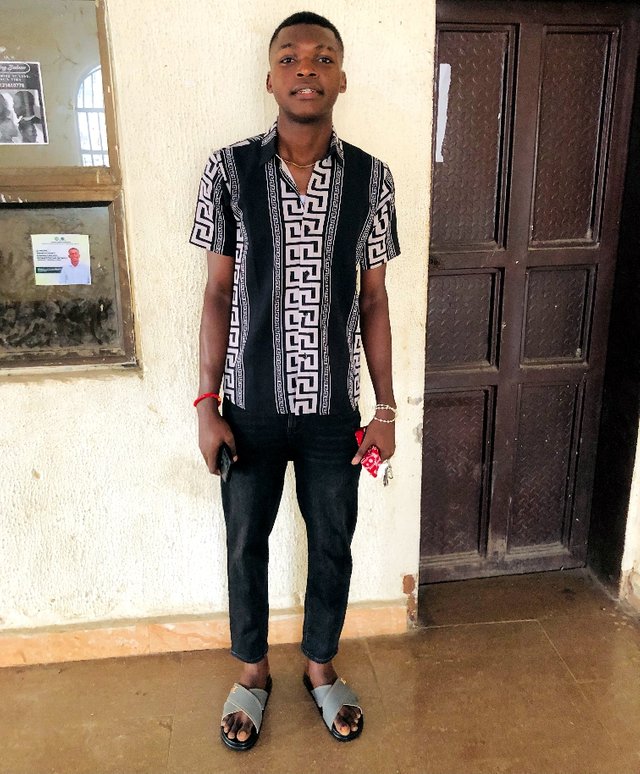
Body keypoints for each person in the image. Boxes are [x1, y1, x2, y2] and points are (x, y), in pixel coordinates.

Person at [190, 11, 399, 751]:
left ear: (341, 78)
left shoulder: (372, 178)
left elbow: (374, 301)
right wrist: (206, 404)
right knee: (245, 540)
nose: (306, 67)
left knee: (333, 541)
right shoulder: (228, 171)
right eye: (290, 56)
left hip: (333, 411)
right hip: (247, 406)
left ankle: (320, 666)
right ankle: (252, 673)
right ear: (270, 78)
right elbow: (218, 293)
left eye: (322, 56)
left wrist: (386, 410)